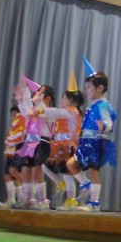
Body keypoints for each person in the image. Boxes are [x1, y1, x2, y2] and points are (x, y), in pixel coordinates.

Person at [66, 58, 117, 212]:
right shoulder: (93, 105)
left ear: (100, 88)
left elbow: (109, 122)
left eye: (89, 87)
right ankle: (85, 185)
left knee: (93, 170)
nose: (86, 90)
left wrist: (104, 126)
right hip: (86, 141)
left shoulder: (102, 105)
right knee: (71, 164)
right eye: (86, 87)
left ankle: (94, 203)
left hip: (96, 142)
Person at [38, 77, 83, 211]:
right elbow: (49, 116)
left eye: (65, 98)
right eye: (62, 97)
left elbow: (54, 112)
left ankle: (72, 200)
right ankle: (61, 185)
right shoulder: (64, 113)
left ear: (73, 101)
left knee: (68, 175)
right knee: (46, 167)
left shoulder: (72, 112)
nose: (62, 100)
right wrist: (36, 112)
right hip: (60, 147)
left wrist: (40, 106)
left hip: (69, 147)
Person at [15, 79, 55, 210]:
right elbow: (27, 112)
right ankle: (29, 199)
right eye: (35, 94)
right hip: (30, 142)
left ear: (48, 98)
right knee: (26, 170)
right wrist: (22, 97)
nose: (35, 96)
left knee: (36, 171)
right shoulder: (35, 109)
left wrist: (28, 98)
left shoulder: (49, 111)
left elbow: (35, 112)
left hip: (42, 142)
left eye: (39, 94)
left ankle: (43, 200)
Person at [0, 105, 25, 208]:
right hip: (10, 153)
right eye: (12, 115)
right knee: (7, 175)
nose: (13, 117)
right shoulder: (11, 129)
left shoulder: (23, 127)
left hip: (18, 153)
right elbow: (8, 141)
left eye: (16, 114)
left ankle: (24, 196)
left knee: (14, 172)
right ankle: (11, 199)